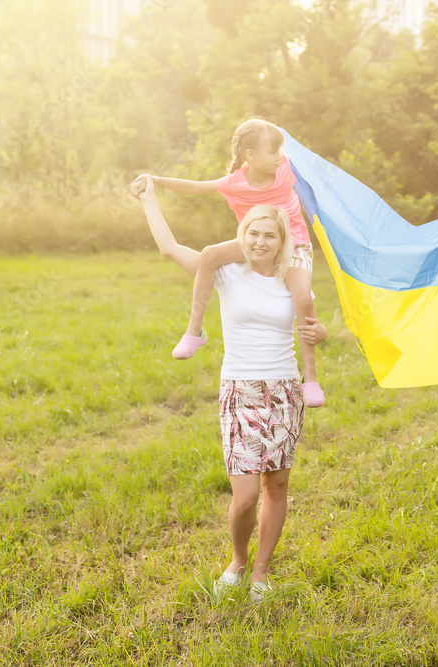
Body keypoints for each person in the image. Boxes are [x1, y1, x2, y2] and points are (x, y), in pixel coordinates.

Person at [134, 174, 324, 602]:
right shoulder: (225, 273)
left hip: (283, 391)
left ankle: (260, 571)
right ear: (243, 235)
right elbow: (170, 248)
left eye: (269, 235)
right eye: (253, 233)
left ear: (281, 241)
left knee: (277, 486)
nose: (260, 242)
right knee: (245, 496)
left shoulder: (294, 278)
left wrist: (322, 333)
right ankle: (237, 561)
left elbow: (313, 327)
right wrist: (149, 198)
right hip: (239, 391)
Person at [130, 119, 326, 408]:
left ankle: (310, 377)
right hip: (252, 248)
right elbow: (193, 189)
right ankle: (194, 331)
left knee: (302, 297)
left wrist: (321, 331)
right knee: (210, 254)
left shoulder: (285, 168)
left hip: (295, 244)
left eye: (278, 150)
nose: (277, 156)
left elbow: (318, 180)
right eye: (271, 151)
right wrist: (155, 181)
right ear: (250, 156)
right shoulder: (236, 185)